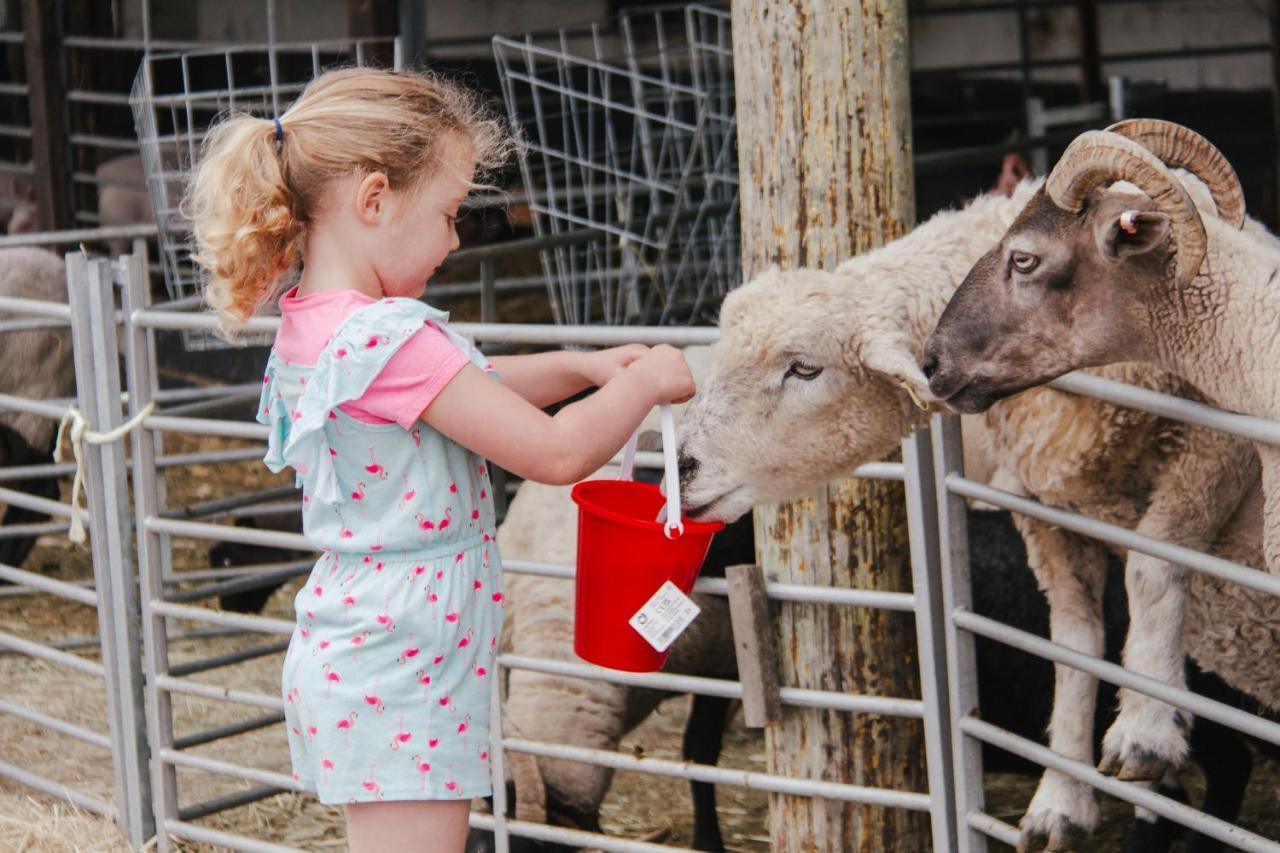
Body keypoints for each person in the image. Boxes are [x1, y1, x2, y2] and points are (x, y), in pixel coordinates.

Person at [185, 67, 695, 853]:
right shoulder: (389, 338)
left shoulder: (321, 325)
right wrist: (650, 383)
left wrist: (578, 367)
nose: (456, 240)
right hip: (404, 662)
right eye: (450, 214)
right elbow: (556, 453)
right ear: (376, 199)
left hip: (378, 646)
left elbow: (464, 393)